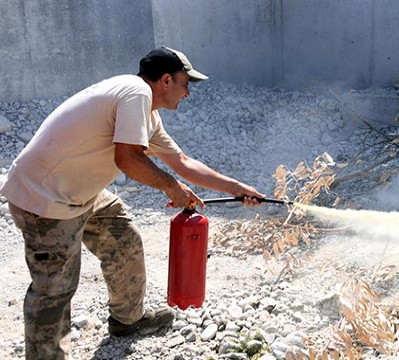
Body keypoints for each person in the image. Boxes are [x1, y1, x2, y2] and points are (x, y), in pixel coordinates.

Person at [0, 47, 265, 359]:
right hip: (44, 196)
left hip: (77, 191)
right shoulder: (136, 93)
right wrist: (170, 187)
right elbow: (127, 159)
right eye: (185, 83)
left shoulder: (146, 113)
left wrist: (238, 188)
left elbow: (181, 162)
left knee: (123, 238)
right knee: (54, 290)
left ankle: (128, 320)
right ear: (166, 80)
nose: (188, 92)